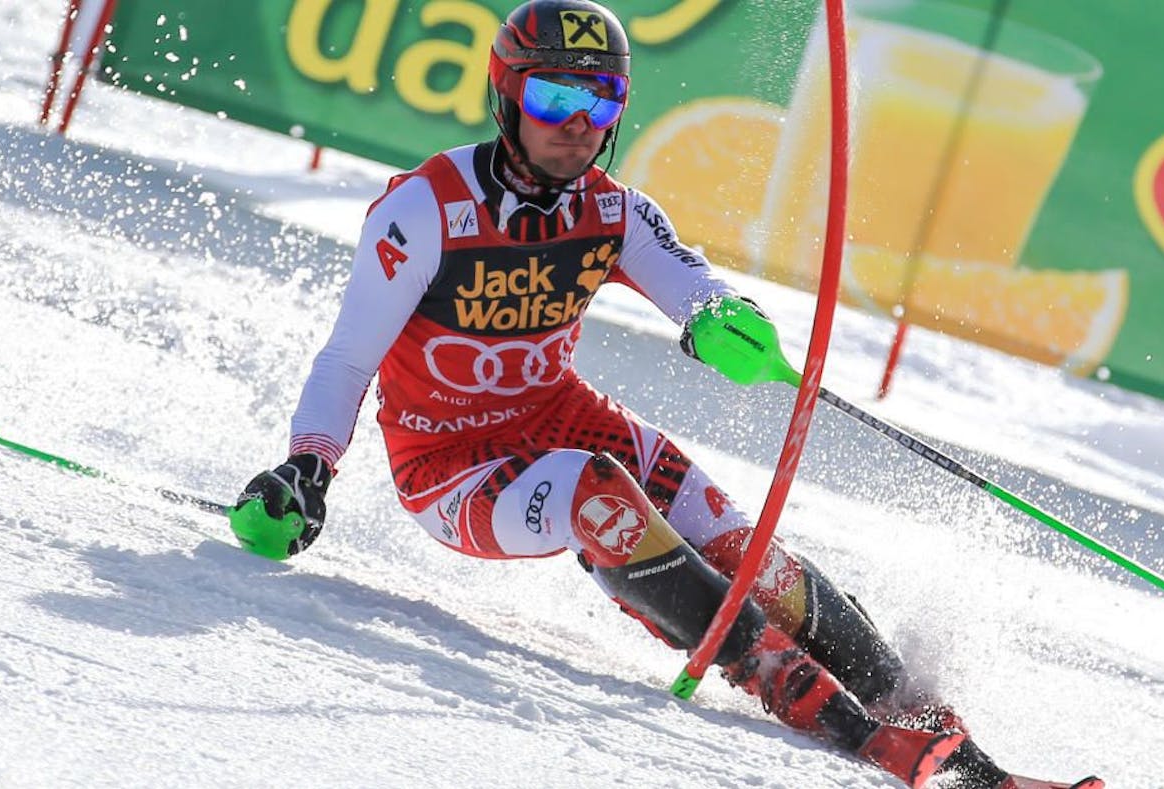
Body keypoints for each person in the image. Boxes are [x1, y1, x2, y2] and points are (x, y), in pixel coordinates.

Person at [230, 2, 1100, 787]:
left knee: (757, 557)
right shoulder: (425, 209)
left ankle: (958, 751)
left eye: (599, 105)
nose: (577, 128)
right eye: (553, 102)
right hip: (452, 464)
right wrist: (311, 466)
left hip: (561, 415)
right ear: (506, 99)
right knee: (594, 489)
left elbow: (694, 285)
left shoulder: (614, 211)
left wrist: (726, 319)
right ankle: (846, 725)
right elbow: (348, 360)